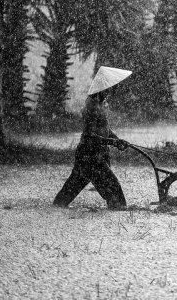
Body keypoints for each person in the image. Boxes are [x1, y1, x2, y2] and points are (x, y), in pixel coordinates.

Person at [53, 66, 132, 210]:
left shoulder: (101, 104)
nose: (111, 91)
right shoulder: (91, 106)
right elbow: (90, 136)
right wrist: (112, 142)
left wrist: (117, 139)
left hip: (93, 156)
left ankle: (55, 208)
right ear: (103, 89)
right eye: (109, 88)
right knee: (115, 194)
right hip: (91, 158)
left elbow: (104, 129)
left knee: (68, 193)